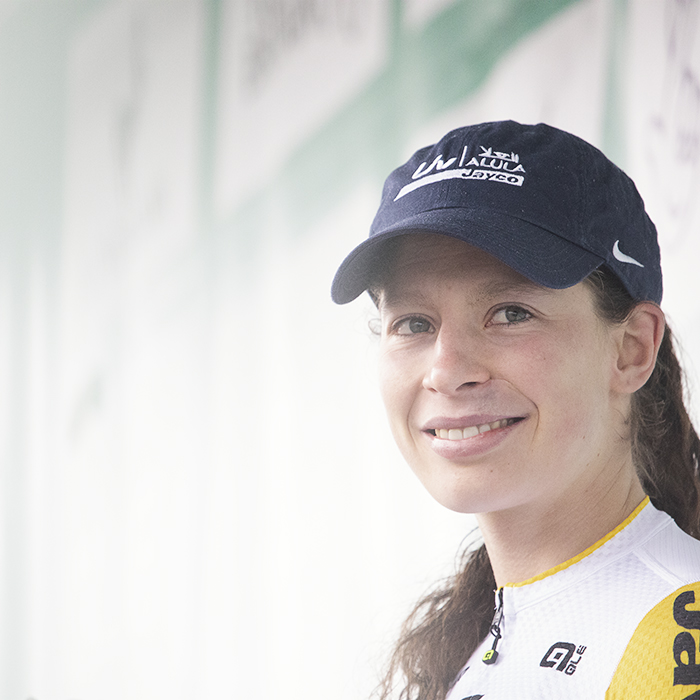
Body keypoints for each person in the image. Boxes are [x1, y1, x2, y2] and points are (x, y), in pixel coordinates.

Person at [331, 121, 700, 700]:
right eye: (414, 324)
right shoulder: (469, 648)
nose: (447, 369)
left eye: (510, 313)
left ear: (632, 349)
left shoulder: (677, 643)